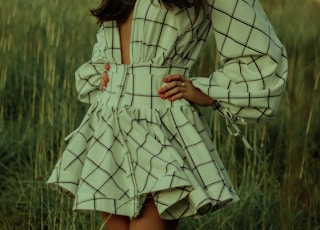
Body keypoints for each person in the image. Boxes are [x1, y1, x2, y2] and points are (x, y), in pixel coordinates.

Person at [47, 0, 287, 229]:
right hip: (110, 120)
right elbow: (107, 37)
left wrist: (207, 92)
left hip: (161, 122)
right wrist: (105, 68)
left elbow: (259, 51)